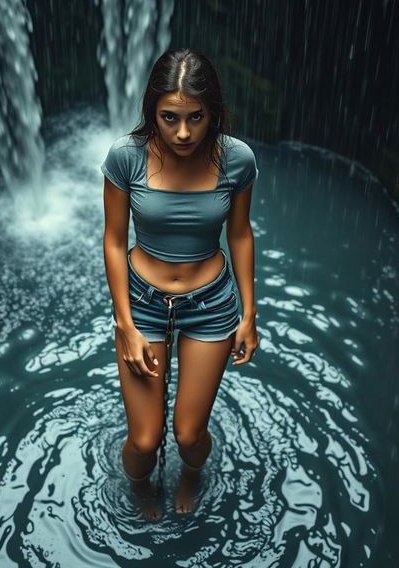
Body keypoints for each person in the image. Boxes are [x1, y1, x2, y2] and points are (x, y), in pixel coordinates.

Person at [100, 48, 260, 519]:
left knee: (189, 434)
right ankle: (140, 489)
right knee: (145, 440)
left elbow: (240, 233)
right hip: (142, 304)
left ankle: (191, 475)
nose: (184, 132)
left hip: (211, 304)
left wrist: (250, 314)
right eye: (170, 118)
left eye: (196, 117)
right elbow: (112, 241)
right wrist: (124, 323)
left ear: (213, 113)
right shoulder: (126, 157)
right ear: (153, 111)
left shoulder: (236, 160)